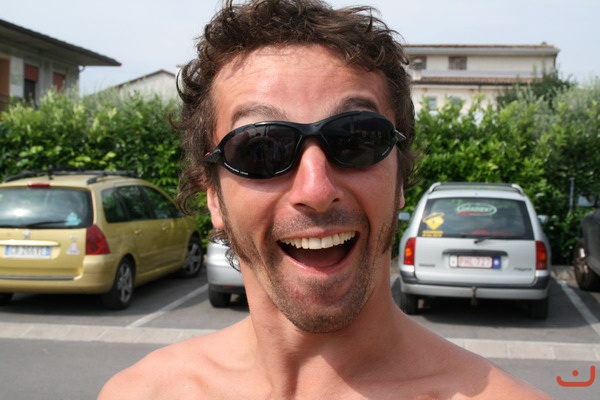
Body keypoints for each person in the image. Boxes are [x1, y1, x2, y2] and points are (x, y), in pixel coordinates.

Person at [98, 0, 552, 398]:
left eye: (357, 139)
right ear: (213, 195)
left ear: (399, 180)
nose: (316, 190)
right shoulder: (141, 394)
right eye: (260, 149)